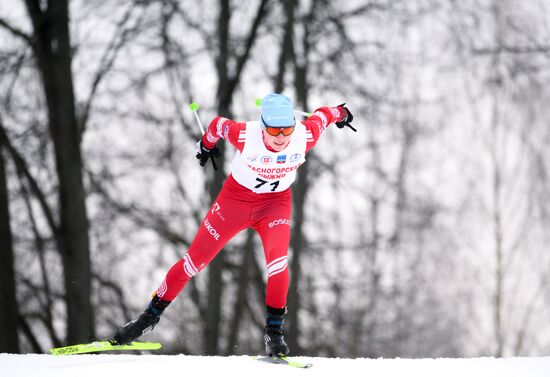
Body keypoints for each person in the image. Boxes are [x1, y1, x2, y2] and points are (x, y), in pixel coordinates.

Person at [112, 93, 355, 356]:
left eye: (287, 129)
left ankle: (274, 333)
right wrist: (206, 144)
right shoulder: (245, 135)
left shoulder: (305, 136)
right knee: (194, 262)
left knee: (278, 263)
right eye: (274, 129)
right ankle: (148, 318)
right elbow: (217, 124)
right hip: (235, 203)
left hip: (275, 204)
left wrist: (342, 113)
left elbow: (325, 115)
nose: (282, 136)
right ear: (263, 127)